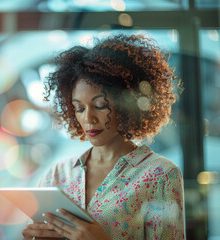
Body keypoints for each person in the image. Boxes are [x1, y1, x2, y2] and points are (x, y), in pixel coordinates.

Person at [22, 33, 185, 240]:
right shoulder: (56, 175)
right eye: (79, 108)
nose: (89, 118)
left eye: (100, 106)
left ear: (127, 104)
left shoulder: (160, 175)